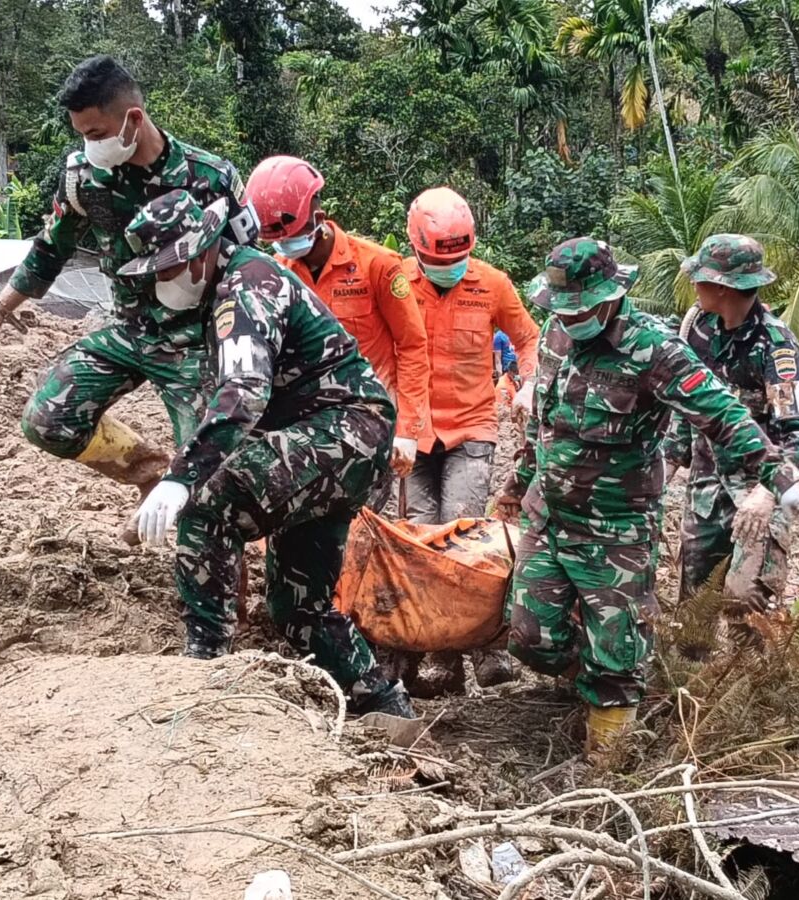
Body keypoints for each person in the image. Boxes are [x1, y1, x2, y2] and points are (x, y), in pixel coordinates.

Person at [496, 238, 799, 755]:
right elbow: (544, 425)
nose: (571, 317)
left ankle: (609, 756)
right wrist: (517, 485)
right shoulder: (557, 338)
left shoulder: (656, 350)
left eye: (582, 307)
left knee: (624, 658)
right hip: (550, 517)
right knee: (531, 641)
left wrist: (783, 483)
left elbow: (724, 417)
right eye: (561, 309)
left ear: (611, 296)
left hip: (616, 529)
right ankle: (591, 667)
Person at [120, 189, 414, 718]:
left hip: (342, 433)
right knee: (297, 608)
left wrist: (181, 478)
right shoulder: (222, 290)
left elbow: (244, 391)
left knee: (207, 498)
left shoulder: (246, 286)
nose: (163, 283)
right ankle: (389, 710)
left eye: (171, 269)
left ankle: (203, 667)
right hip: (332, 443)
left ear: (204, 250)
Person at [0, 56, 258, 540]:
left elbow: (251, 270)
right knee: (48, 420)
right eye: (82, 135)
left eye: (95, 133)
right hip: (129, 332)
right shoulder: (82, 178)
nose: (88, 146)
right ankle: (151, 471)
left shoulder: (210, 178)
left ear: (132, 119)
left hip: (197, 345)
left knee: (210, 484)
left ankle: (218, 606)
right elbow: (50, 250)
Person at [399, 186, 541, 696]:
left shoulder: (493, 284)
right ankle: (434, 654)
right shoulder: (396, 284)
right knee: (419, 539)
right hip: (412, 434)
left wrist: (526, 384)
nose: (450, 268)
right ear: (415, 246)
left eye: (458, 258)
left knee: (462, 535)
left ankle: (483, 647)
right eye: (440, 260)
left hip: (472, 427)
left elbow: (527, 338)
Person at [664, 235, 799, 641]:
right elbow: (688, 406)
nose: (693, 285)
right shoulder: (696, 329)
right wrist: (666, 465)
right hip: (705, 490)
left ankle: (752, 693)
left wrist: (768, 494)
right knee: (694, 604)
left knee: (745, 599)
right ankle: (687, 691)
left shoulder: (776, 347)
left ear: (721, 287)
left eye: (699, 278)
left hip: (758, 493)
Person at [244, 156, 429, 493]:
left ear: (318, 217)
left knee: (356, 530)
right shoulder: (278, 273)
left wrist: (408, 430)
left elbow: (412, 346)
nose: (286, 246)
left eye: (291, 234)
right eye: (277, 240)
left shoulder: (378, 266)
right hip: (303, 426)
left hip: (366, 422)